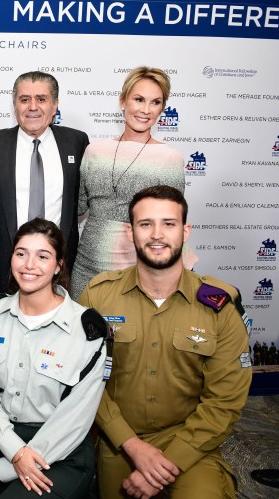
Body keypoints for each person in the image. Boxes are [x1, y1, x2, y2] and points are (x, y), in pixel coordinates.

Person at [79, 185, 252, 499]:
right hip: (118, 440)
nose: (157, 234)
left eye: (168, 224)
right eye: (146, 224)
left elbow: (224, 401)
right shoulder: (98, 295)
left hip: (191, 442)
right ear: (131, 232)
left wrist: (169, 461)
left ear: (185, 231)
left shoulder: (219, 305)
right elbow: (82, 378)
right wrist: (131, 445)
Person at [0, 218, 107, 498]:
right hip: (5, 444)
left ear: (59, 265)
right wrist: (14, 450)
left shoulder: (86, 329)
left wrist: (24, 457)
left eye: (42, 256)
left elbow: (77, 416)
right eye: (21, 253)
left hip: (62, 452)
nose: (29, 265)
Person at [71, 66, 192, 299]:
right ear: (123, 101)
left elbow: (171, 222)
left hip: (140, 271)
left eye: (155, 102)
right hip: (87, 266)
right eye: (139, 99)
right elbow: (78, 207)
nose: (145, 110)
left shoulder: (170, 159)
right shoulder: (94, 151)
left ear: (162, 109)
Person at [0, 71, 88, 296]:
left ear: (55, 105)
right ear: (15, 105)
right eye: (25, 99)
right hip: (2, 275)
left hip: (59, 273)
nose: (33, 107)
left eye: (41, 99)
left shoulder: (76, 143)